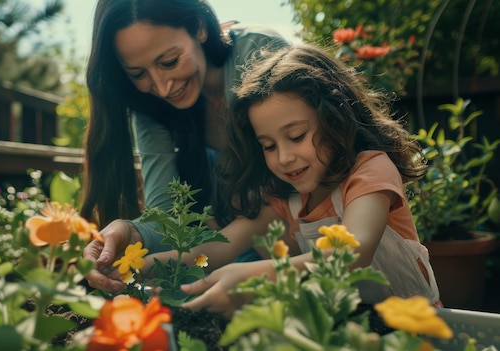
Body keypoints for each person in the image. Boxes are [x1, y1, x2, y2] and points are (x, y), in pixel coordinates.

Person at [144, 43, 441, 319]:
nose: (284, 157)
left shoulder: (369, 171)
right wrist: (136, 267)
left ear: (335, 119)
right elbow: (219, 247)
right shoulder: (287, 197)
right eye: (269, 146)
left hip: (418, 329)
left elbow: (353, 252)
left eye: (296, 136)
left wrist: (255, 275)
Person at [81, 0, 291, 292]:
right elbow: (165, 214)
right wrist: (132, 232)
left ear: (200, 28)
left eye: (168, 62)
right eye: (138, 74)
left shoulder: (259, 54)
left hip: (297, 232)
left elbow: (300, 184)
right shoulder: (149, 105)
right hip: (231, 240)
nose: (163, 87)